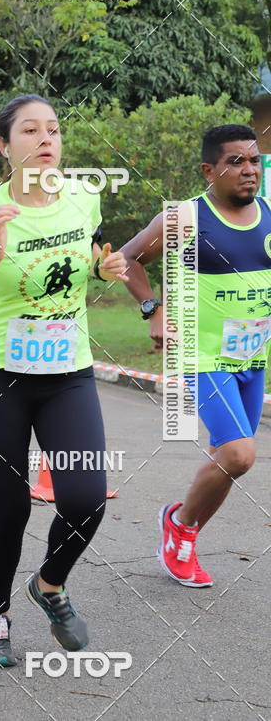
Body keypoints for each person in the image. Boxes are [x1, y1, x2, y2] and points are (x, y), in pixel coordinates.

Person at [0, 94, 127, 667]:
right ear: (5, 146)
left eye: (53, 129)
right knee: (10, 509)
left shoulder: (82, 199)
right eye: (30, 130)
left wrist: (102, 268)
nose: (47, 139)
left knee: (86, 498)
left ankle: (49, 585)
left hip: (67, 374)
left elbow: (88, 263)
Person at [120, 124, 267, 588]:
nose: (249, 171)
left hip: (251, 360)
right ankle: (181, 527)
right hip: (200, 357)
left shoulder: (269, 213)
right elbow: (127, 260)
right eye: (236, 162)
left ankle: (181, 532)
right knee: (240, 454)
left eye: (255, 161)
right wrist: (153, 309)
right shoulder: (185, 218)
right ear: (209, 171)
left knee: (228, 459)